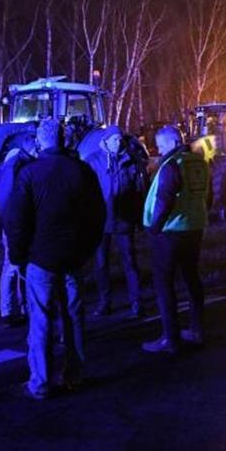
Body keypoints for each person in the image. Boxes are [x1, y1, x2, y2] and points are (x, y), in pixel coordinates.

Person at [4, 120, 105, 399]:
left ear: (40, 141)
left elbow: (17, 221)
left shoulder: (29, 174)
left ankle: (41, 381)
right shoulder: (82, 171)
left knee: (41, 320)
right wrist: (87, 250)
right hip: (73, 257)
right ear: (65, 140)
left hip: (40, 259)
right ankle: (75, 374)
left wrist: (17, 257)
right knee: (74, 317)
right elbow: (97, 216)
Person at [142, 125, 210, 354]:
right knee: (192, 279)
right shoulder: (199, 163)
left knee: (164, 284)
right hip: (195, 228)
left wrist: (154, 229)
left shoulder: (172, 166)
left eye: (161, 146)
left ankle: (170, 340)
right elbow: (208, 196)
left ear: (171, 143)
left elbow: (164, 201)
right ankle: (197, 330)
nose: (159, 151)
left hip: (170, 232)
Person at [87, 126, 149, 319]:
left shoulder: (130, 161)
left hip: (124, 220)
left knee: (130, 262)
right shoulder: (93, 162)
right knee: (101, 264)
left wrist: (139, 219)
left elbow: (140, 191)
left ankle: (136, 302)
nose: (118, 142)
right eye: (114, 139)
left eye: (120, 139)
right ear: (105, 141)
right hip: (100, 221)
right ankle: (105, 302)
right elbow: (87, 191)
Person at [0, 133, 38, 327]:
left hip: (17, 223)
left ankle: (20, 307)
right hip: (15, 224)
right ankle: (7, 310)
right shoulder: (17, 166)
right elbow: (9, 198)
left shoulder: (19, 164)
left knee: (19, 266)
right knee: (12, 266)